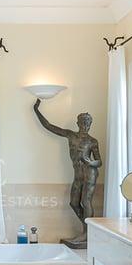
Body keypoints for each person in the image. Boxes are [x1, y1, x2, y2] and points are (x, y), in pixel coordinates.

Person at [33, 98, 102, 246]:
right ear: (78, 124)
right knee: (73, 203)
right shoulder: (71, 135)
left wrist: (90, 162)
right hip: (78, 174)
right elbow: (49, 126)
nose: (86, 125)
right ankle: (87, 229)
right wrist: (36, 110)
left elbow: (99, 161)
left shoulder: (92, 141)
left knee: (86, 201)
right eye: (84, 122)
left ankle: (86, 233)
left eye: (89, 123)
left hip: (89, 172)